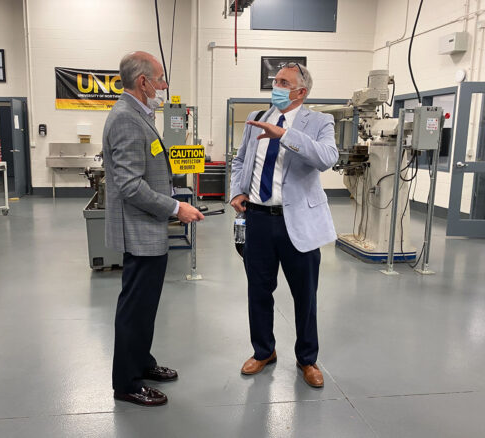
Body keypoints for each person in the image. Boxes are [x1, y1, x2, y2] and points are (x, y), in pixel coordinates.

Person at [103, 51, 204, 406]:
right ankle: (127, 383)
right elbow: (130, 185)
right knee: (135, 308)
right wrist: (176, 207)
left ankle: (141, 363)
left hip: (150, 227)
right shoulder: (126, 119)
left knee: (146, 306)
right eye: (160, 80)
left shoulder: (140, 115)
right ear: (143, 82)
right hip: (139, 230)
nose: (164, 87)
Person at [230, 63, 338, 388]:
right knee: (258, 291)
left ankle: (307, 359)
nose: (275, 86)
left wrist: (286, 135)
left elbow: (327, 157)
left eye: (283, 82)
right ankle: (263, 350)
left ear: (301, 91)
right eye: (275, 80)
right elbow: (240, 159)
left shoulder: (320, 121)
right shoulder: (258, 118)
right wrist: (237, 190)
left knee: (305, 295)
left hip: (298, 223)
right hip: (259, 219)